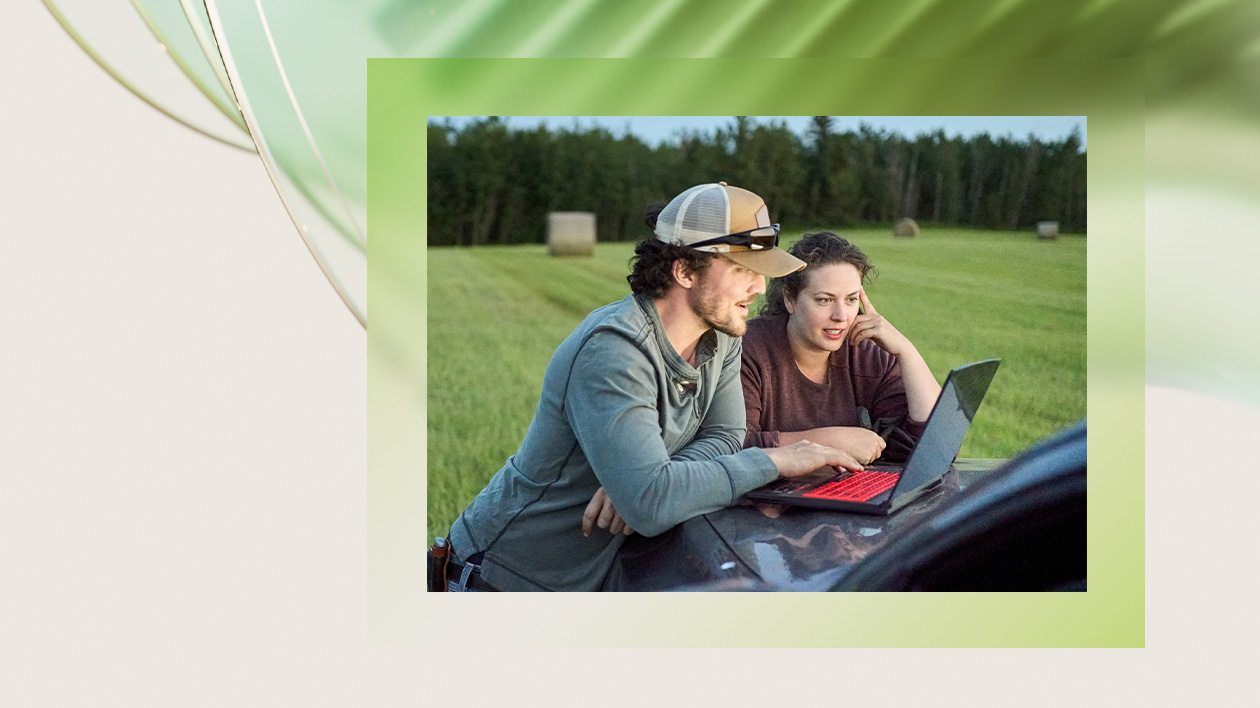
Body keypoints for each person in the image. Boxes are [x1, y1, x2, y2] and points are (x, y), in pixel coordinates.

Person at [437, 184, 865, 592]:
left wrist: (658, 480)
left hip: (587, 581)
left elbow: (725, 436)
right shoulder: (614, 351)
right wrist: (773, 461)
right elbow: (651, 503)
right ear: (684, 271)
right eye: (742, 270)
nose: (759, 288)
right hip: (503, 579)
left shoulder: (723, 337)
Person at [741, 231, 941, 464]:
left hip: (849, 498)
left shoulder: (867, 355)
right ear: (790, 299)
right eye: (825, 300)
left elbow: (934, 451)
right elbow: (733, 447)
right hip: (769, 499)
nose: (841, 316)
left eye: (851, 300)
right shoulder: (750, 349)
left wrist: (907, 353)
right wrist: (831, 441)